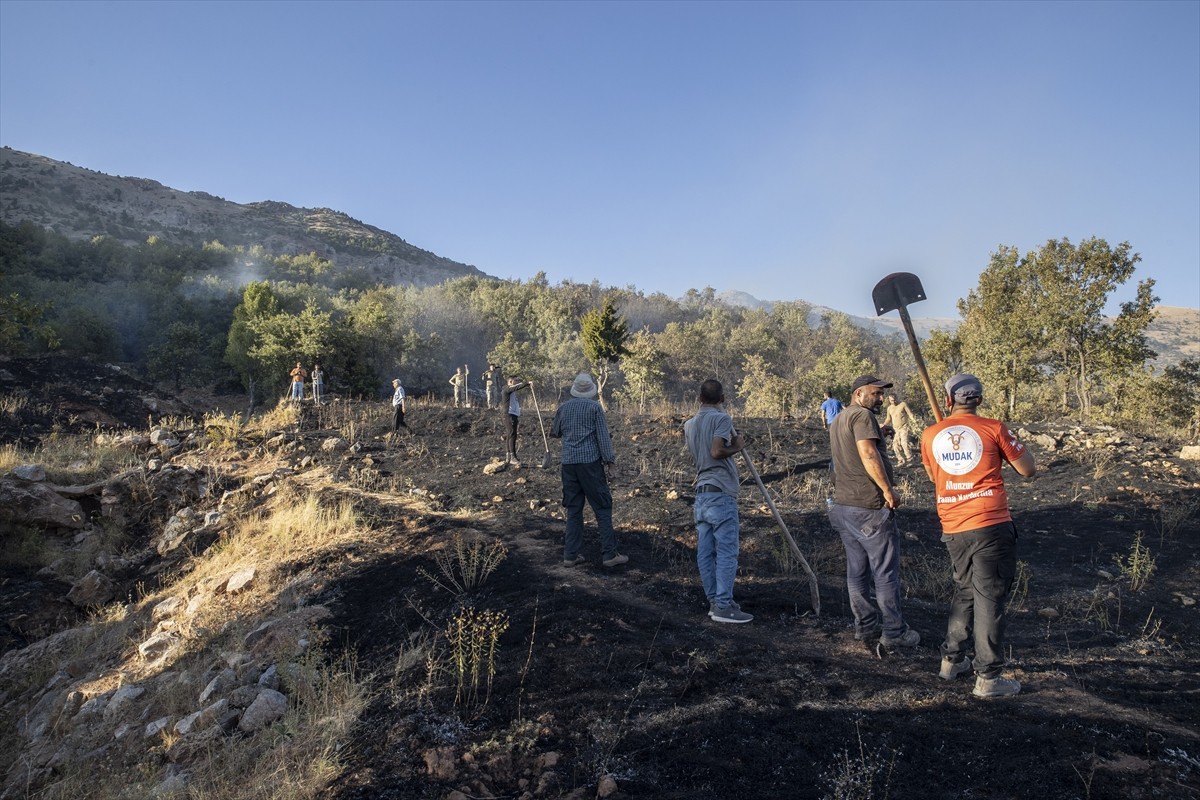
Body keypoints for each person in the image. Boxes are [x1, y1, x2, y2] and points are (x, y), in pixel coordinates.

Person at [921, 373, 1036, 698]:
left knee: (966, 591)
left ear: (948, 401)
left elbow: (933, 475)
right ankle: (988, 678)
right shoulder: (994, 428)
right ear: (979, 401)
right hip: (990, 523)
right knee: (989, 597)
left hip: (954, 527)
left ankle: (951, 661)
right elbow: (1027, 469)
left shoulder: (930, 435)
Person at [828, 374, 919, 647]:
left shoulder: (839, 420)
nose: (880, 398)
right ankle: (894, 632)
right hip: (868, 506)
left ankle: (865, 627)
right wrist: (888, 490)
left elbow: (839, 462)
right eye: (875, 394)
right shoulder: (863, 417)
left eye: (881, 394)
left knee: (857, 570)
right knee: (884, 571)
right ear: (858, 394)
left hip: (844, 506)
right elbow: (868, 454)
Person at [683, 379, 753, 624]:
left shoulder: (689, 425)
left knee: (705, 550)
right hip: (720, 493)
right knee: (726, 551)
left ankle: (715, 600)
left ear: (699, 398)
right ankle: (723, 606)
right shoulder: (722, 419)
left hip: (701, 493)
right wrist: (737, 446)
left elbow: (701, 454)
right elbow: (716, 451)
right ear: (722, 398)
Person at [551, 372, 626, 568]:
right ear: (591, 390)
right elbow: (603, 438)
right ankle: (609, 554)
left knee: (574, 509)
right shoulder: (595, 408)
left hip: (568, 464)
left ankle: (570, 555)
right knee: (602, 507)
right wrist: (611, 463)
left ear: (574, 390)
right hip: (590, 465)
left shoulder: (563, 408)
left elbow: (555, 432)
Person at [501, 376, 532, 465]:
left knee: (509, 434)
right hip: (509, 415)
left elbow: (517, 387)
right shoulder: (506, 389)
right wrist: (527, 383)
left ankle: (508, 457)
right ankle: (512, 457)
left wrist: (526, 385)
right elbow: (517, 386)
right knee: (512, 434)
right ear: (510, 381)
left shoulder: (511, 391)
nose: (517, 382)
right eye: (516, 381)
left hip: (513, 414)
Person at [884, 394, 919, 465]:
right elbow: (888, 419)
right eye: (891, 400)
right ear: (889, 400)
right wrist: (883, 425)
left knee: (904, 443)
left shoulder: (902, 404)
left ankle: (910, 459)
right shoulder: (889, 408)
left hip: (904, 427)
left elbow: (910, 414)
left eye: (894, 400)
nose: (893, 401)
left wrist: (915, 422)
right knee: (895, 445)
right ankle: (901, 460)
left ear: (897, 398)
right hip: (896, 429)